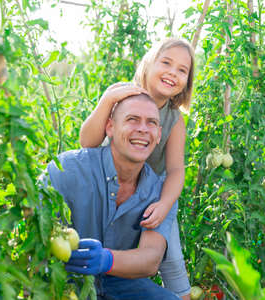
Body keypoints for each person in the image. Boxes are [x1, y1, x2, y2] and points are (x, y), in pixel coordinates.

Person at [79, 38, 194, 299]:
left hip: (155, 194)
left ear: (186, 81)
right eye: (166, 63)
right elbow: (87, 142)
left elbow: (176, 171)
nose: (172, 73)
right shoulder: (121, 96)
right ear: (148, 63)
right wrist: (107, 100)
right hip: (114, 185)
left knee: (172, 260)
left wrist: (165, 205)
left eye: (182, 70)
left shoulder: (174, 119)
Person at [45, 93, 180, 299]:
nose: (143, 129)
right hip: (62, 280)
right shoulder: (66, 170)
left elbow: (151, 258)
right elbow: (35, 235)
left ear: (159, 134)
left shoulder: (161, 194)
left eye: (151, 123)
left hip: (115, 280)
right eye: (132, 119)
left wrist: (107, 259)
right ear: (110, 127)